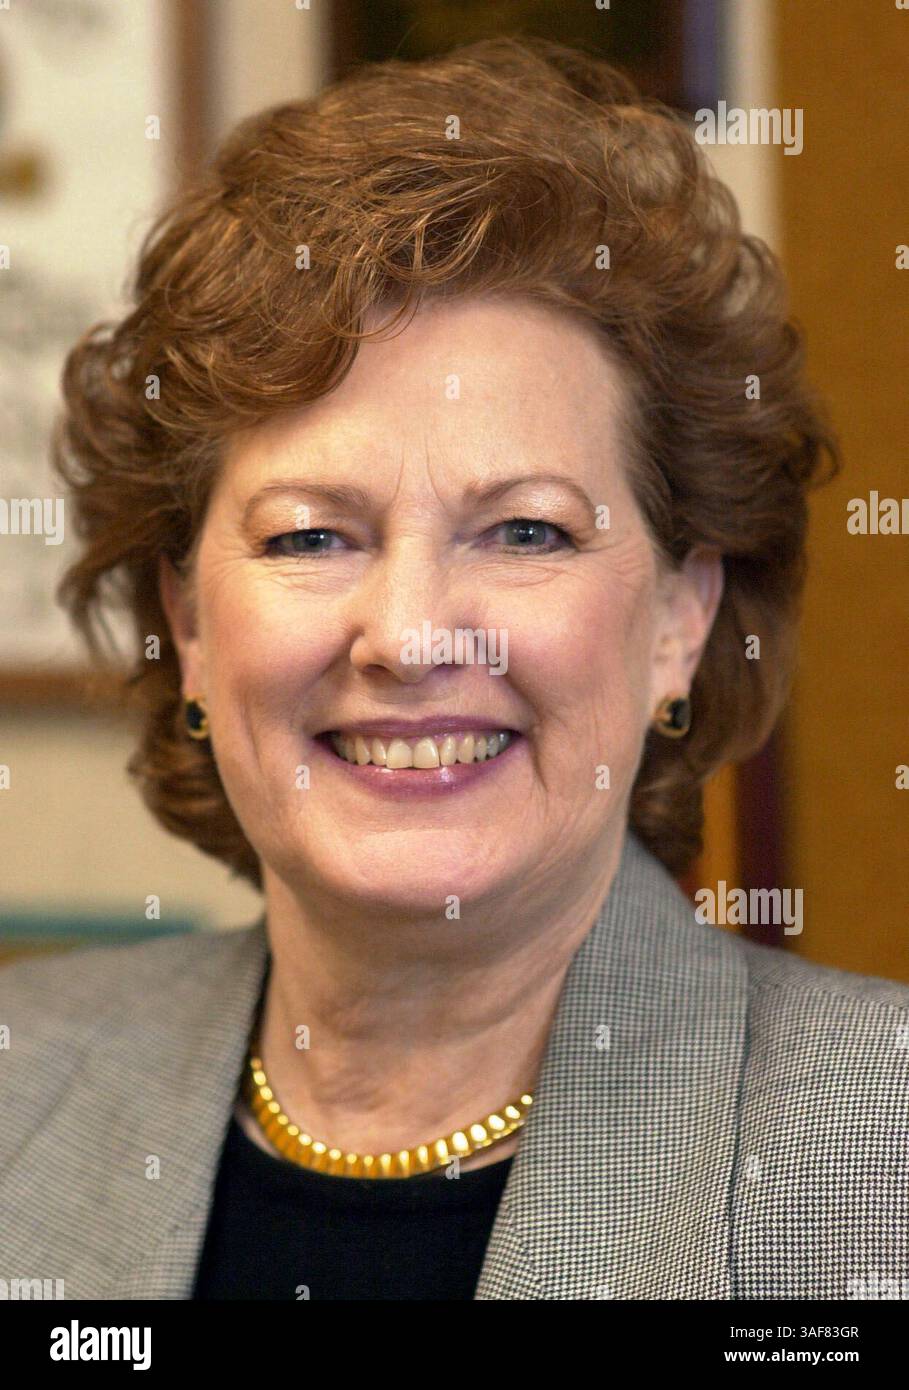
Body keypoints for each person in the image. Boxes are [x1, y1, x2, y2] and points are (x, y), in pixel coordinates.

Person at [2, 36, 906, 1301]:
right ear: (190, 623)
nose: (412, 636)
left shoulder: (878, 1154)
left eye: (525, 531)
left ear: (679, 619)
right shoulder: (23, 1085)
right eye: (311, 536)